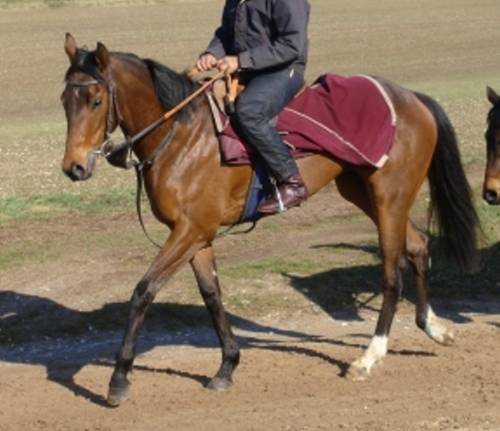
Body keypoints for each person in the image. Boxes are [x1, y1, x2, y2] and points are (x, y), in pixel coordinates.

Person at [197, 0, 311, 214]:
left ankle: (292, 182)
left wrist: (240, 60)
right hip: (249, 68)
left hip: (284, 69)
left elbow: (291, 45)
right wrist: (213, 53)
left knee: (249, 112)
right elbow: (226, 32)